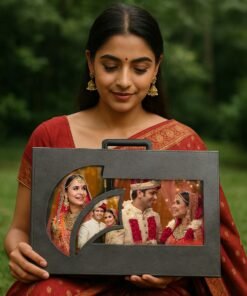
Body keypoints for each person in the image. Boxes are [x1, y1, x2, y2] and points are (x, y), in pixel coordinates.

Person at [4, 2, 247, 295]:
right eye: (110, 66)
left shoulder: (183, 141)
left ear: (157, 67)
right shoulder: (51, 135)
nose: (123, 81)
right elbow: (20, 229)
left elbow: (203, 241)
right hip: (68, 280)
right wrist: (18, 251)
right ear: (90, 62)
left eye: (140, 68)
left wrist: (173, 268)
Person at [49, 174, 91, 255]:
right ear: (65, 193)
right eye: (75, 188)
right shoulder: (58, 221)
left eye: (84, 188)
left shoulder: (90, 217)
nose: (81, 192)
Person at [121, 179, 162, 245]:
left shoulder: (155, 216)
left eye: (156, 193)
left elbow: (160, 242)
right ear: (139, 193)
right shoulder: (122, 216)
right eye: (152, 193)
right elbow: (114, 250)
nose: (155, 197)